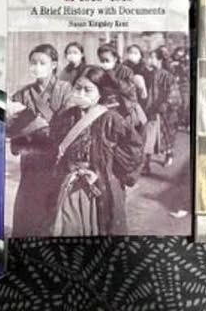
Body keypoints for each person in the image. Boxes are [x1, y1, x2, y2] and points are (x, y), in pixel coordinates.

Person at [48, 66, 145, 236]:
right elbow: (55, 145)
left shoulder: (112, 118)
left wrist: (109, 170)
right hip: (71, 184)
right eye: (78, 88)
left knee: (101, 229)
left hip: (100, 186)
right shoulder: (66, 116)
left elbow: (134, 148)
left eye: (88, 90)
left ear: (101, 93)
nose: (81, 93)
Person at [7, 43, 72, 237]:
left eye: (42, 62)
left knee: (54, 208)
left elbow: (70, 122)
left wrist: (44, 129)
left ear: (54, 65)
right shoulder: (22, 94)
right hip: (32, 159)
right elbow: (14, 129)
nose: (37, 67)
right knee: (28, 207)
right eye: (33, 62)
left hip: (57, 157)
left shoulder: (66, 89)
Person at [140, 47, 180, 173]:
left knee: (166, 136)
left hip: (165, 113)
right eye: (148, 57)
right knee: (148, 136)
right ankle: (145, 164)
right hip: (150, 110)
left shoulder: (167, 76)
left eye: (152, 57)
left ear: (159, 59)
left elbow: (174, 94)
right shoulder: (147, 73)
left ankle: (169, 154)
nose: (149, 60)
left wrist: (166, 104)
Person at [97, 44, 147, 130]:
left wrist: (113, 77)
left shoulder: (126, 71)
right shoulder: (100, 71)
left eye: (107, 60)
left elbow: (129, 91)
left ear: (115, 59)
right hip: (106, 109)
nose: (104, 63)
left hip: (125, 110)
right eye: (102, 61)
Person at [170, 46, 191, 130]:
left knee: (187, 104)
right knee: (183, 104)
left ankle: (186, 122)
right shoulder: (178, 63)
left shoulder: (183, 62)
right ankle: (181, 122)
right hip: (183, 85)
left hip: (187, 85)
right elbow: (175, 73)